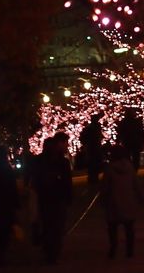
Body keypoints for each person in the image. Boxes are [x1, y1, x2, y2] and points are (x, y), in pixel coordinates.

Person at [32, 132, 73, 264]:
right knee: (56, 226)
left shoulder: (40, 160)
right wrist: (69, 196)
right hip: (57, 198)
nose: (67, 146)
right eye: (65, 143)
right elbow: (67, 182)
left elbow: (35, 179)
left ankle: (49, 250)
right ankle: (53, 252)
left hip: (45, 197)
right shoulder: (62, 162)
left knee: (48, 225)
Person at [99, 144, 144, 258]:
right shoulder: (129, 168)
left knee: (112, 229)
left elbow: (105, 187)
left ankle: (113, 250)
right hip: (128, 202)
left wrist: (102, 200)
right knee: (129, 229)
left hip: (113, 203)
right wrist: (141, 199)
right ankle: (129, 251)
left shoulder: (109, 169)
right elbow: (136, 185)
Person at [116, 107, 144, 172]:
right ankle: (134, 169)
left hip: (127, 142)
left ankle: (130, 169)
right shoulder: (137, 122)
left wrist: (118, 140)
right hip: (134, 142)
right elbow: (141, 132)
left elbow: (120, 132)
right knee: (135, 157)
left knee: (128, 157)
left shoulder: (123, 122)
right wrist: (142, 141)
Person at [79, 113, 104, 187]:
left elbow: (82, 137)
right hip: (93, 147)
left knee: (92, 163)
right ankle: (93, 177)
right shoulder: (93, 127)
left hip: (92, 147)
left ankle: (93, 177)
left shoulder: (90, 127)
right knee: (94, 163)